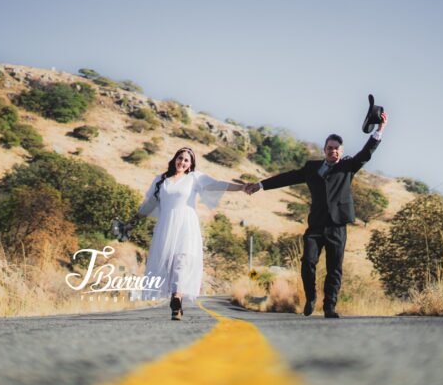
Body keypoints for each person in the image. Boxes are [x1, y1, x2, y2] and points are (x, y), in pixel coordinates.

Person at [246, 112, 388, 318]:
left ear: (341, 151)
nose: (333, 151)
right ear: (324, 150)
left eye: (337, 149)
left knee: (334, 268)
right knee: (308, 262)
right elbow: (288, 177)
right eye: (329, 148)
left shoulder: (348, 166)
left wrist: (380, 129)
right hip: (316, 226)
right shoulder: (312, 168)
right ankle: (311, 297)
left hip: (337, 226)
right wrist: (260, 185)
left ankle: (330, 306)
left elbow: (366, 153)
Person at [135, 147, 246, 320]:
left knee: (182, 261)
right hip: (166, 226)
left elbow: (217, 184)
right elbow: (150, 203)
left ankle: (177, 299)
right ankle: (176, 302)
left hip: (187, 226)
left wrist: (242, 187)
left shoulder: (194, 178)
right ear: (174, 159)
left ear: (190, 164)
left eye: (186, 160)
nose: (182, 162)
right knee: (169, 264)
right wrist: (134, 220)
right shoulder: (161, 180)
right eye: (180, 158)